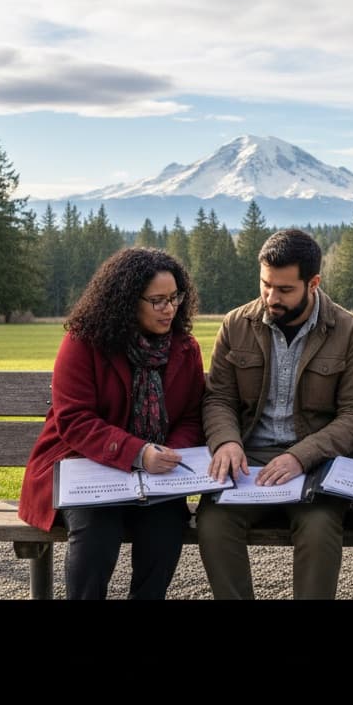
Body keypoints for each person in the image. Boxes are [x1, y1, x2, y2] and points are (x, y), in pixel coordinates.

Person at [198, 228, 353, 599]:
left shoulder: (349, 332)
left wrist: (301, 456)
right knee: (213, 524)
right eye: (265, 285)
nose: (270, 297)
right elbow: (218, 399)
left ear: (313, 283)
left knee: (319, 528)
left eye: (284, 289)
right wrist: (226, 442)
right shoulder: (235, 325)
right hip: (248, 461)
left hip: (317, 463)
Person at [18, 247, 206, 600]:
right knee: (96, 532)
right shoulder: (83, 342)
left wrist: (170, 451)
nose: (169, 308)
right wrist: (138, 452)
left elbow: (192, 416)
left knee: (166, 528)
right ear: (126, 301)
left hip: (155, 475)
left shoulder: (185, 348)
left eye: (174, 298)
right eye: (157, 300)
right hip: (82, 463)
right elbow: (73, 420)